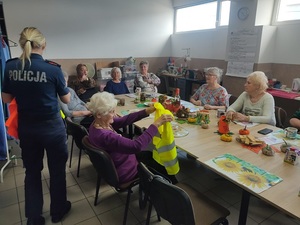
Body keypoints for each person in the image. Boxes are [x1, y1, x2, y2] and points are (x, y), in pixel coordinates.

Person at [1, 27, 71, 225]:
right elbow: (65, 98)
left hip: (28, 129)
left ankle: (34, 218)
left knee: (32, 172)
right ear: (44, 45)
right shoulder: (53, 69)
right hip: (52, 129)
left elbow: (6, 99)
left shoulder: (11, 66)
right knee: (56, 170)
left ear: (23, 44)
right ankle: (57, 211)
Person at [86, 92, 178, 184]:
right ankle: (171, 189)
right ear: (99, 114)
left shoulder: (97, 124)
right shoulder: (106, 136)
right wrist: (156, 124)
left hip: (122, 161)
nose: (115, 114)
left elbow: (123, 120)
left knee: (150, 155)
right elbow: (137, 146)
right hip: (126, 172)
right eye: (111, 111)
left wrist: (147, 111)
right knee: (161, 166)